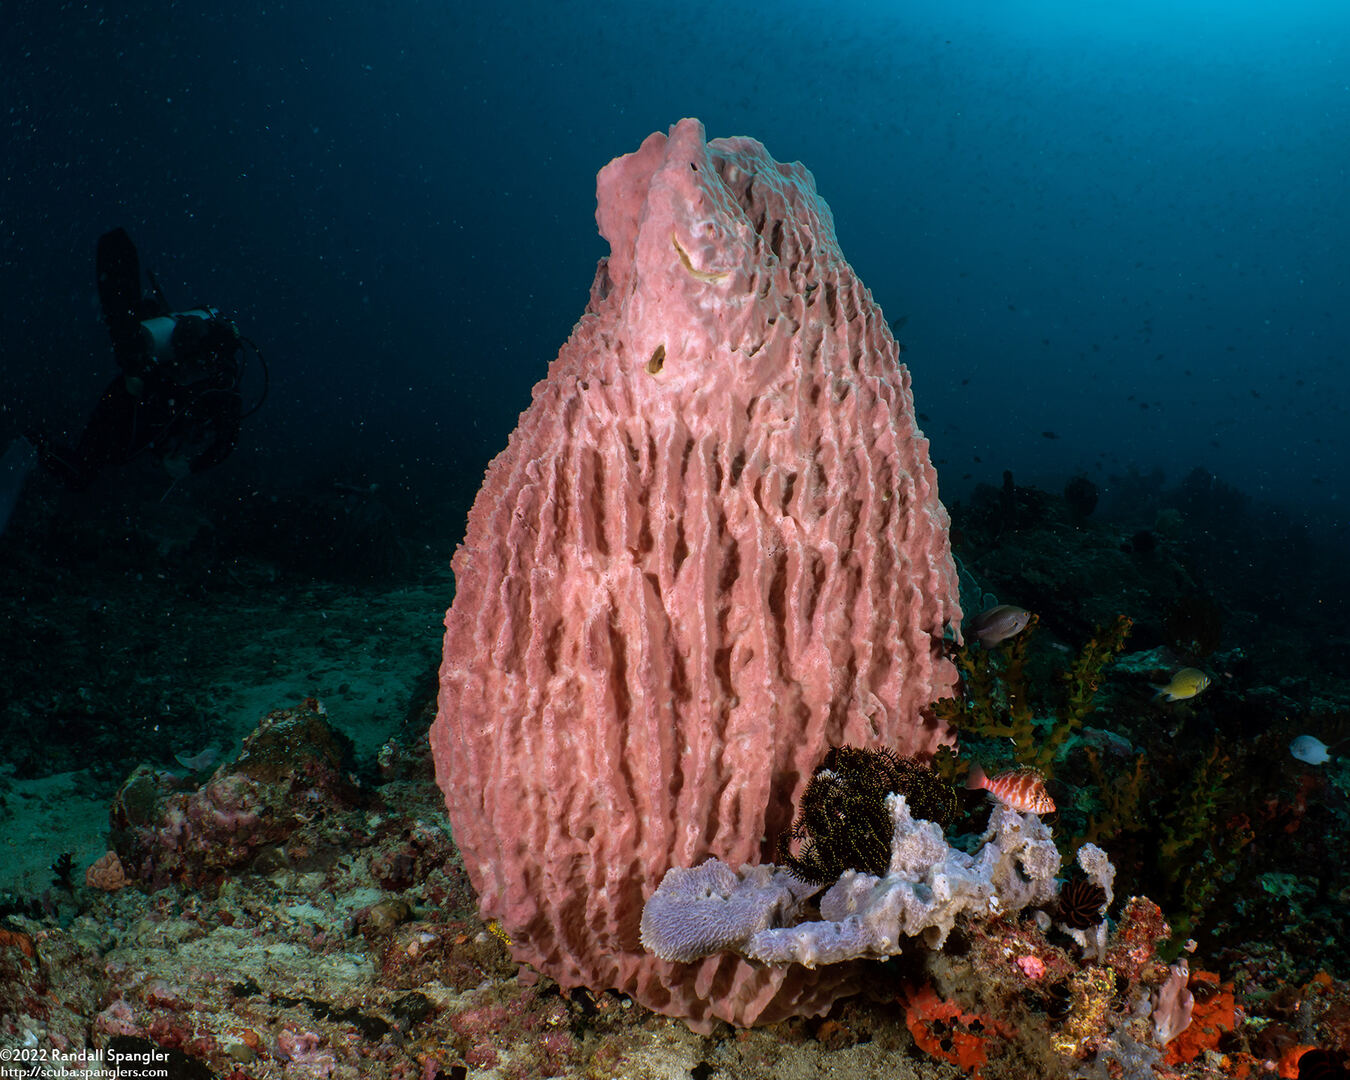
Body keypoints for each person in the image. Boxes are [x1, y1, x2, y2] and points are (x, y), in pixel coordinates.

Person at [26, 228, 265, 491]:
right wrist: (188, 466)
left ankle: (35, 444)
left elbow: (223, 439)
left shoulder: (214, 383)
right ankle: (31, 444)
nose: (194, 370)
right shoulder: (222, 385)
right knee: (86, 471)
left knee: (89, 467)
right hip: (133, 398)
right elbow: (225, 441)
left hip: (133, 394)